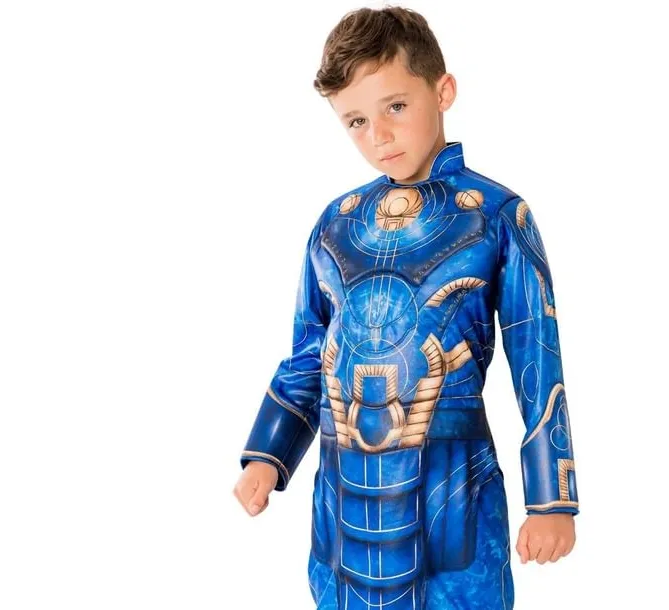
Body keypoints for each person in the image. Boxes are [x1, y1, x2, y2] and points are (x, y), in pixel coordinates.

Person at [232, 6, 579, 609]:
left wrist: (552, 499)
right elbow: (309, 355)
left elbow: (538, 362)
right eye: (356, 121)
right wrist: (269, 453)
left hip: (452, 481)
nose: (379, 136)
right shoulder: (335, 227)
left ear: (442, 91)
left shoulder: (497, 217)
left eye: (395, 106)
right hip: (341, 494)